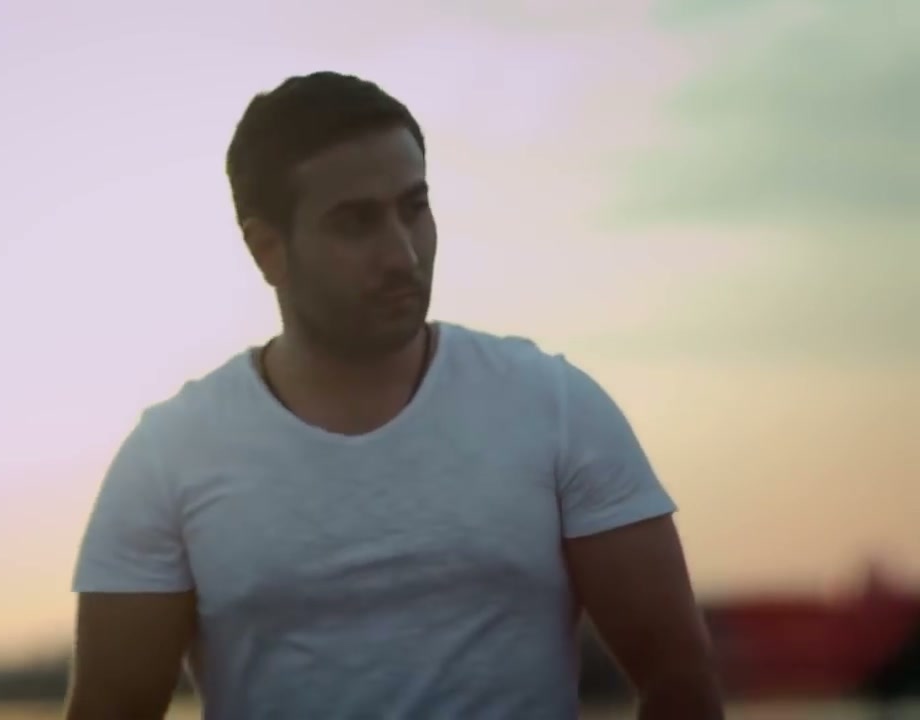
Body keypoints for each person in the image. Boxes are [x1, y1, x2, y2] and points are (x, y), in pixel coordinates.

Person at [65, 71, 722, 719]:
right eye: (356, 224)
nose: (403, 255)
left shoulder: (553, 408)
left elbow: (681, 680)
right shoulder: (170, 456)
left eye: (414, 208)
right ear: (269, 250)